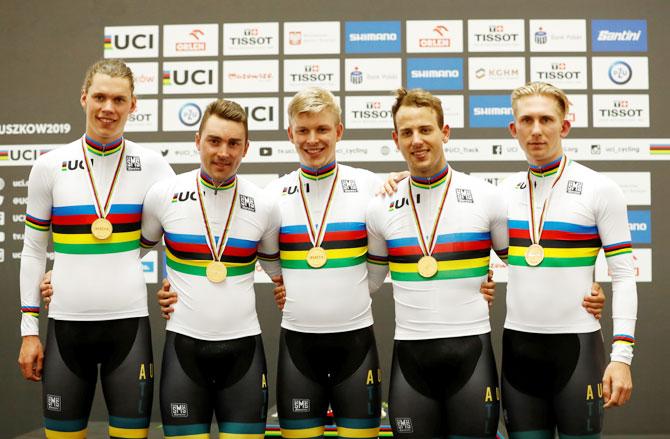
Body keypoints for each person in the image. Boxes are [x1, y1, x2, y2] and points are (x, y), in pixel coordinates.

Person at [18, 59, 174, 438]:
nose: (108, 108)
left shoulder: (153, 166)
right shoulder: (49, 166)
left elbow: (181, 235)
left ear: (133, 105)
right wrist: (29, 331)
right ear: (84, 98)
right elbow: (34, 250)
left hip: (129, 328)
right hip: (66, 330)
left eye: (119, 99)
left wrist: (173, 283)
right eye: (100, 97)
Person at [365, 88, 508, 438]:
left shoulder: (486, 197)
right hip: (410, 362)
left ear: (445, 132)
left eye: (426, 130)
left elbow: (527, 268)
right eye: (407, 132)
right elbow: (365, 284)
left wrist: (587, 290)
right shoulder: (380, 205)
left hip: (472, 357)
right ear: (395, 139)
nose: (417, 140)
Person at [501, 82, 637, 438]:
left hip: (577, 350)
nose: (536, 130)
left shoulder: (599, 189)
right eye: (526, 120)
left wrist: (622, 358)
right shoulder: (501, 192)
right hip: (518, 351)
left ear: (564, 126)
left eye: (546, 119)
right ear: (513, 129)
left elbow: (623, 276)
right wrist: (400, 179)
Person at [139, 99, 281, 438]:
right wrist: (64, 275)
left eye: (234, 143)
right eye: (214, 141)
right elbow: (124, 256)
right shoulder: (163, 195)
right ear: (198, 140)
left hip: (243, 353)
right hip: (183, 352)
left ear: (246, 147)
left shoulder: (263, 205)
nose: (223, 152)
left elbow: (282, 273)